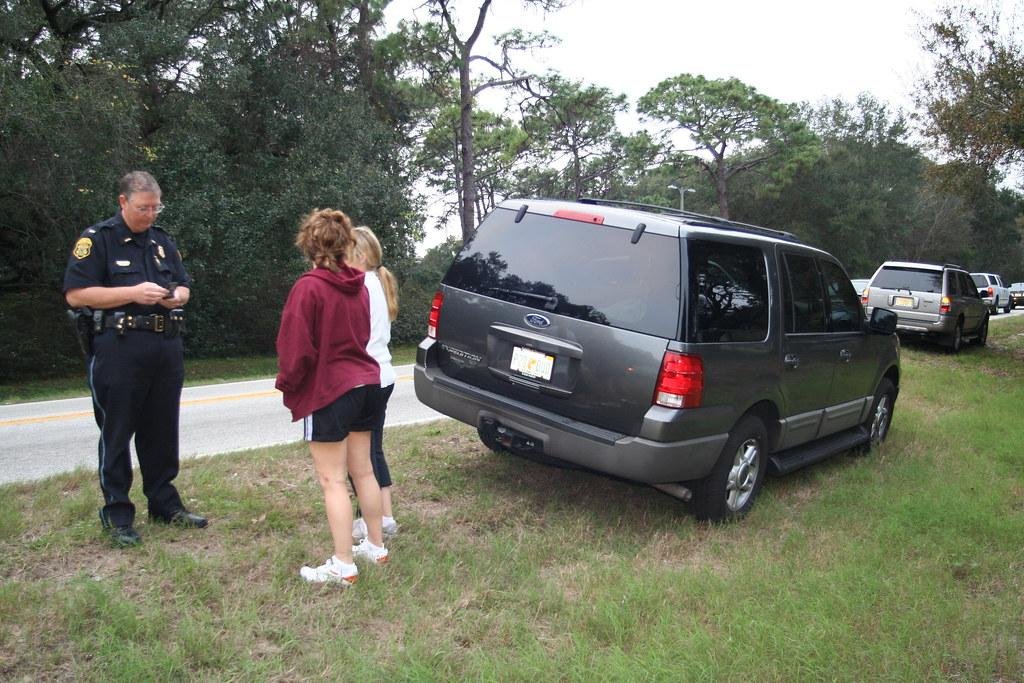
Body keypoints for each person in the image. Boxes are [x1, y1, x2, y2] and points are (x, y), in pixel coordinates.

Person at [63, 171, 208, 548]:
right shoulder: (98, 240)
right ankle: (117, 515)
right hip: (119, 345)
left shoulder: (162, 241)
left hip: (165, 344)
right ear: (123, 202)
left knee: (161, 430)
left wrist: (178, 295)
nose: (150, 215)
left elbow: (185, 283)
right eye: (143, 208)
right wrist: (131, 292)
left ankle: (164, 504)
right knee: (117, 432)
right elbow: (77, 295)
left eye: (155, 207)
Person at [275, 209, 394, 586]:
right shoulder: (359, 285)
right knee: (364, 470)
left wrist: (290, 384)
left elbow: (296, 350)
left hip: (331, 389)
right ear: (346, 245)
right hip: (367, 385)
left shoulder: (308, 287)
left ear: (308, 244)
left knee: (333, 480)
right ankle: (375, 546)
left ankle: (343, 564)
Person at [346, 226, 401, 542]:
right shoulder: (376, 283)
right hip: (383, 375)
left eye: (346, 253)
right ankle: (386, 516)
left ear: (362, 256)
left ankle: (372, 522)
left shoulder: (360, 288)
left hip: (364, 378)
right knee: (373, 449)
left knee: (359, 458)